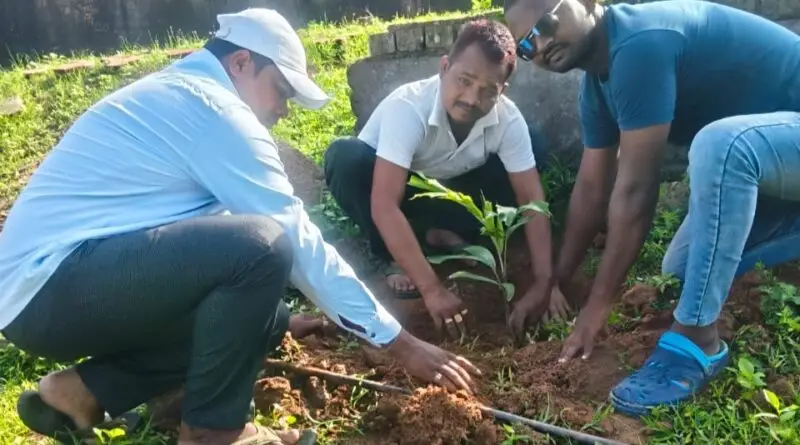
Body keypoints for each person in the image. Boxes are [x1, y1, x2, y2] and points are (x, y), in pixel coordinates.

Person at [0, 8, 483, 445]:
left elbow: (197, 241)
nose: (282, 109)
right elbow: (289, 236)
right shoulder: (214, 110)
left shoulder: (182, 96)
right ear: (241, 64)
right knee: (262, 244)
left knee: (265, 314)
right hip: (49, 284)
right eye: (281, 90)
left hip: (55, 288)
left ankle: (79, 393)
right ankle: (214, 432)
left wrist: (270, 321)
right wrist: (397, 342)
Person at [504, 0, 800, 417]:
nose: (542, 44)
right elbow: (592, 188)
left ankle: (697, 338)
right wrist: (553, 280)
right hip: (781, 162)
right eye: (526, 46)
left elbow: (637, 187)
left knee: (721, 145)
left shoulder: (640, 43)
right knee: (680, 270)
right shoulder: (597, 87)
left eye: (547, 22)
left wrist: (598, 304)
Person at [323, 18, 570, 340]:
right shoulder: (408, 107)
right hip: (403, 198)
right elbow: (384, 204)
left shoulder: (507, 118)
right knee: (345, 158)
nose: (470, 97)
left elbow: (531, 201)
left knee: (532, 148)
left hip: (458, 195)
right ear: (444, 67)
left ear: (502, 90)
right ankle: (393, 256)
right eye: (463, 80)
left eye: (487, 90)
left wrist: (544, 282)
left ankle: (443, 232)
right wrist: (432, 290)